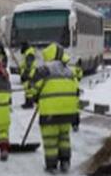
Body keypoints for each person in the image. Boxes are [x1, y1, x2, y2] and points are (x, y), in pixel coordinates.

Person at [30, 42, 79, 173]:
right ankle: (65, 162)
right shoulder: (69, 70)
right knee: (64, 138)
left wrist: (35, 96)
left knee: (50, 140)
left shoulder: (43, 70)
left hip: (50, 112)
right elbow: (76, 89)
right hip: (68, 112)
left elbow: (33, 88)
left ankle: (51, 166)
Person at [19, 42, 37, 109]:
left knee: (29, 88)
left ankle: (29, 103)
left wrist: (25, 73)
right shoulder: (28, 52)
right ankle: (28, 102)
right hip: (29, 72)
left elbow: (28, 65)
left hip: (29, 73)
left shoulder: (29, 53)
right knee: (27, 88)